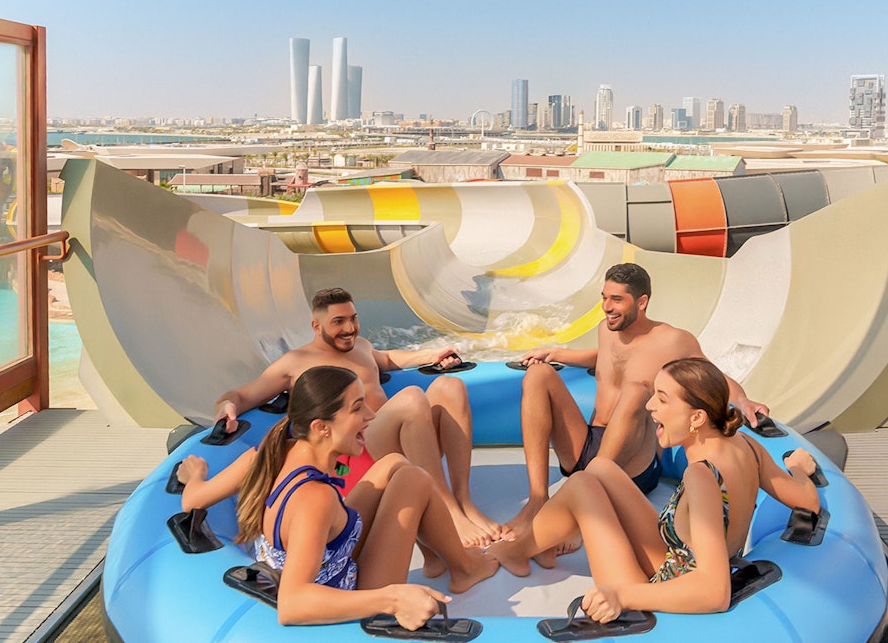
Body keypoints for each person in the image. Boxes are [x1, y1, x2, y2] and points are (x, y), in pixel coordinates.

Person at [491, 357, 819, 620]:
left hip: (663, 590)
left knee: (579, 486)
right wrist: (799, 469)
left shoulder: (702, 476)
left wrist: (621, 595)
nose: (649, 407)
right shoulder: (746, 446)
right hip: (677, 558)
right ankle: (545, 541)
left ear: (697, 418)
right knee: (600, 467)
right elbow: (807, 501)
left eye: (661, 400)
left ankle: (513, 552)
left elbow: (715, 592)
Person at [214, 288, 500, 547]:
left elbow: (387, 359)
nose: (349, 328)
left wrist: (432, 354)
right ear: (316, 326)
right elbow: (242, 395)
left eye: (353, 319)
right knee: (412, 399)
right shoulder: (295, 363)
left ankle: (463, 500)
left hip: (399, 440)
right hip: (356, 455)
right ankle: (448, 510)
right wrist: (227, 406)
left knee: (451, 387)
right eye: (338, 321)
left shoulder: (360, 346)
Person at [505, 263, 768, 538]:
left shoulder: (673, 340)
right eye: (604, 297)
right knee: (538, 375)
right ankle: (538, 499)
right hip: (588, 444)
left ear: (641, 302)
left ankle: (584, 506)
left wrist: (743, 400)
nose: (607, 307)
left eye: (617, 299)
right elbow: (607, 358)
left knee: (636, 391)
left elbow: (712, 375)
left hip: (633, 462)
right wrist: (556, 354)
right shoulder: (607, 330)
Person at [232, 365, 498, 627]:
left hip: (330, 567)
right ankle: (465, 569)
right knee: (415, 479)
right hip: (347, 603)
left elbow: (204, 496)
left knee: (394, 462)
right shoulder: (315, 498)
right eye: (357, 408)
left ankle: (437, 556)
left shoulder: (281, 451)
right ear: (321, 427)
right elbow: (292, 606)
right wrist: (393, 599)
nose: (371, 415)